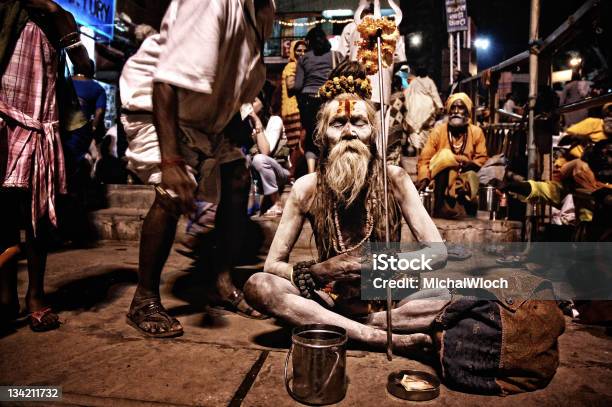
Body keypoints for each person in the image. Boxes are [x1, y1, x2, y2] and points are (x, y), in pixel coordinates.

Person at [244, 62, 448, 352]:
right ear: (322, 135)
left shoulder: (395, 180)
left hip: (389, 300)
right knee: (258, 285)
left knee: (451, 293)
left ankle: (344, 326)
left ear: (372, 132)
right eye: (338, 124)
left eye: (359, 123)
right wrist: (321, 271)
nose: (349, 132)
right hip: (328, 298)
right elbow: (272, 265)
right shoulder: (306, 188)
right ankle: (379, 336)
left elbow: (437, 254)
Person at [119, 0, 275, 337]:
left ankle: (219, 282)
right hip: (156, 103)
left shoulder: (264, 10)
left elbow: (236, 78)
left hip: (206, 118)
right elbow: (165, 82)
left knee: (239, 178)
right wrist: (172, 161)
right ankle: (144, 299)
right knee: (172, 191)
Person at [0, 0, 91, 331]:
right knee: (5, 215)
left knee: (36, 216)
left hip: (41, 123)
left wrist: (54, 14)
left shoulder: (57, 17)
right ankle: (7, 297)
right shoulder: (7, 11)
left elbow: (85, 62)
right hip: (3, 118)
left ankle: (35, 295)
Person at [416, 93, 488, 219]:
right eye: (453, 108)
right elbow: (425, 159)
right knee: (445, 156)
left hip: (464, 177)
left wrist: (470, 164)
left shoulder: (476, 132)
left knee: (471, 175)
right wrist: (424, 178)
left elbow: (482, 158)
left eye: (460, 108)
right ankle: (439, 207)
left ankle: (466, 207)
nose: (455, 111)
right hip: (440, 180)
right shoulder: (438, 131)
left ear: (467, 112)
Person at [294, 26, 340, 173]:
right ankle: (331, 171)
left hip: (308, 103)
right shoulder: (337, 56)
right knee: (330, 136)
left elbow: (298, 85)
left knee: (311, 139)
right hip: (328, 101)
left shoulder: (303, 59)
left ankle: (311, 173)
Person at [248, 99, 290, 217]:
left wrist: (257, 121)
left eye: (254, 100)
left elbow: (266, 151)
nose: (250, 105)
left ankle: (277, 202)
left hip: (280, 172)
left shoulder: (274, 121)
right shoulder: (247, 125)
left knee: (259, 159)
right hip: (257, 176)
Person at [64, 59, 106, 170]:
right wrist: (93, 128)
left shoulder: (65, 82)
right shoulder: (97, 88)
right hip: (81, 129)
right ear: (92, 71)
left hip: (61, 126)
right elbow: (100, 111)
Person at [403, 65, 443, 150]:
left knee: (415, 129)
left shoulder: (414, 81)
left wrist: (407, 104)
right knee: (425, 128)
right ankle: (424, 148)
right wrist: (439, 106)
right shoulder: (429, 81)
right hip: (427, 108)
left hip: (415, 107)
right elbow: (435, 94)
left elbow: (407, 93)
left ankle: (417, 148)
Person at [281, 39, 306, 176]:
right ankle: (292, 173)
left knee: (297, 144)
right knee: (296, 145)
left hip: (294, 110)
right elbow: (291, 86)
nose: (302, 53)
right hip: (293, 111)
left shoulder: (297, 66)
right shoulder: (292, 66)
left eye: (304, 50)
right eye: (298, 50)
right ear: (293, 52)